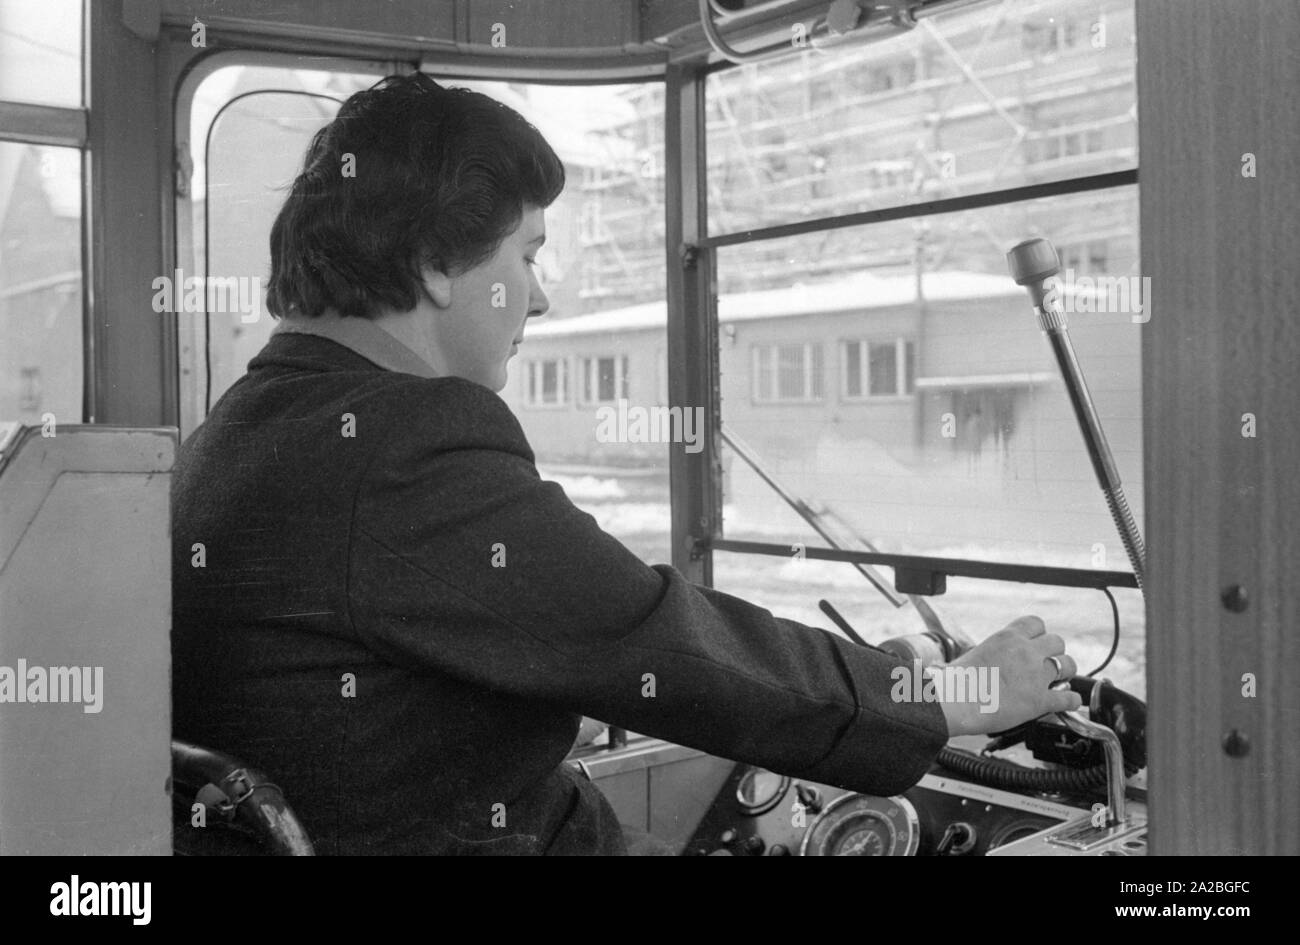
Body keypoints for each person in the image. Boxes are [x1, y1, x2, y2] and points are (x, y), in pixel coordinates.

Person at [171, 73, 1081, 856]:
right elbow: (646, 635)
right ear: (437, 264)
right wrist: (944, 693)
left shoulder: (237, 430)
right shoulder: (405, 444)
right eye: (527, 253)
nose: (543, 293)